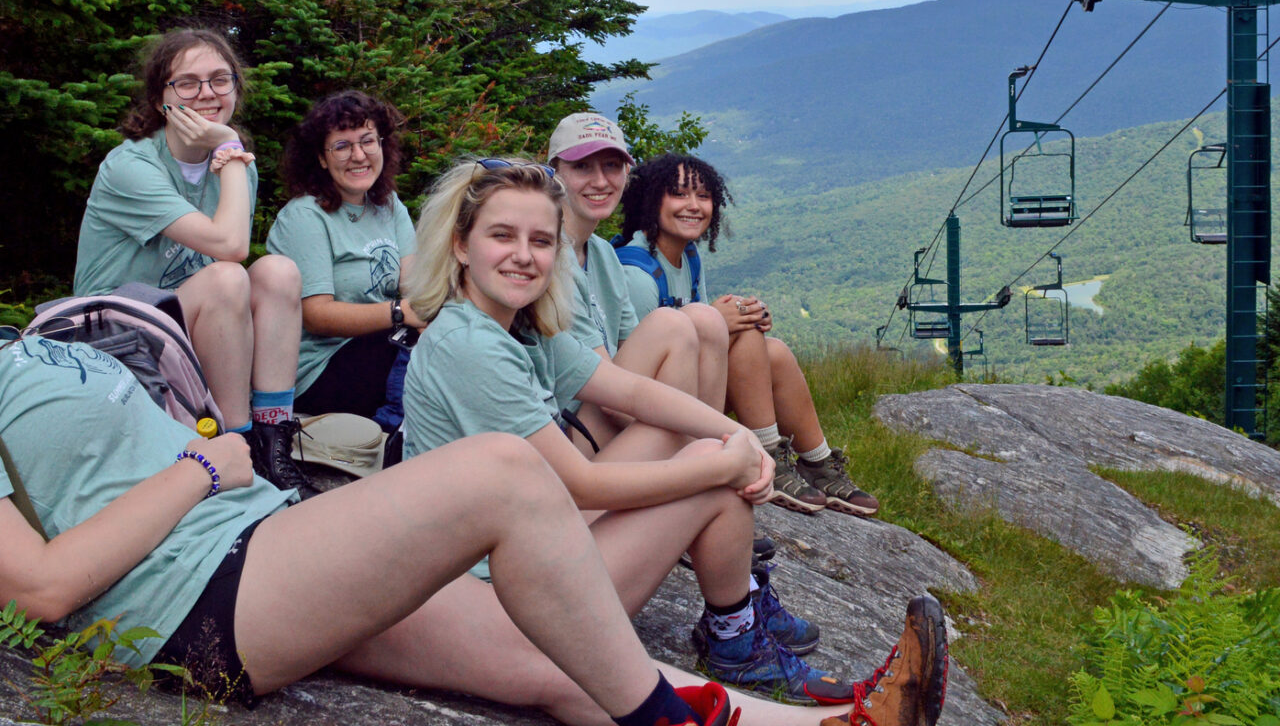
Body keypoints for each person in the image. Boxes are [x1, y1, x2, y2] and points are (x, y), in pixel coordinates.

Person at [0, 328, 947, 726]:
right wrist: (203, 465)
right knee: (498, 470)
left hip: (261, 549)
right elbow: (39, 586)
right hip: (195, 599)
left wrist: (202, 466)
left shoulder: (27, 347)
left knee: (560, 655)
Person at [400, 159, 869, 705]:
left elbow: (628, 390)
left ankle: (736, 608)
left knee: (703, 445)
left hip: (519, 543)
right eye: (502, 236)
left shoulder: (514, 327)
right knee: (712, 482)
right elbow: (576, 485)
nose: (525, 256)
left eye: (541, 241)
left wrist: (736, 438)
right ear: (460, 245)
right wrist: (720, 465)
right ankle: (734, 640)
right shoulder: (472, 347)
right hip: (499, 593)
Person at [72, 28, 311, 497]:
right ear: (161, 99)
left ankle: (273, 441)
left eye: (221, 80)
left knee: (278, 272)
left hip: (181, 325)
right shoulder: (131, 167)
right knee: (227, 278)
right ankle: (236, 449)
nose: (206, 93)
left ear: (236, 90)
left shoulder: (234, 163)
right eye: (187, 82)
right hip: (113, 339)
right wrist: (230, 148)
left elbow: (237, 252)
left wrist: (230, 156)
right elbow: (230, 246)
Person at [616, 154, 878, 519]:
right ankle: (766, 454)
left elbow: (700, 325)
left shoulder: (687, 255)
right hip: (652, 410)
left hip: (691, 390)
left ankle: (817, 462)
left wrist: (744, 315)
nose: (693, 206)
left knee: (774, 351)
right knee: (744, 332)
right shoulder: (636, 274)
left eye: (703, 196)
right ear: (650, 201)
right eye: (678, 194)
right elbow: (635, 372)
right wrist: (720, 323)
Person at [547, 113, 730, 438]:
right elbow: (608, 391)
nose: (601, 181)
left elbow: (632, 348)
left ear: (627, 173)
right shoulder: (549, 258)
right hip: (571, 433)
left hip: (609, 410)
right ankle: (703, 451)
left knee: (705, 318)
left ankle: (710, 448)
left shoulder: (602, 253)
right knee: (671, 324)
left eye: (612, 167)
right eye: (582, 167)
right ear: (555, 172)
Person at [266, 91, 422, 423]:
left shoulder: (389, 205)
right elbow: (317, 316)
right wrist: (400, 312)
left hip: (384, 346)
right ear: (321, 159)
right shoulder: (306, 216)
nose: (358, 155)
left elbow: (416, 284)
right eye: (342, 146)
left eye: (367, 141)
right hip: (322, 369)